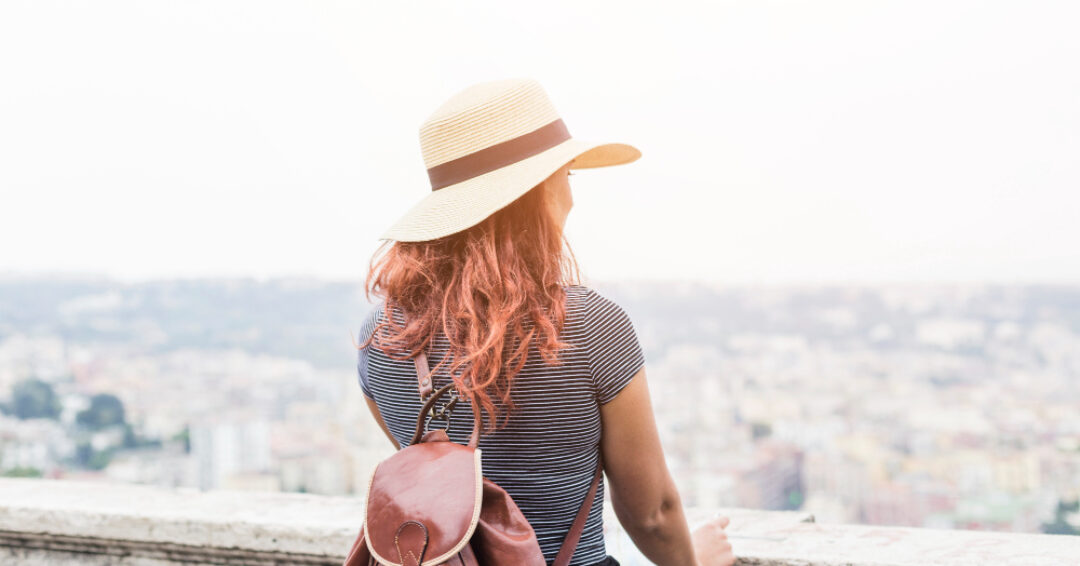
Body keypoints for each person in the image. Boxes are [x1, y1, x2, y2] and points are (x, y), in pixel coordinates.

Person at [355, 78, 735, 566]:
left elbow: (443, 478)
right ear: (538, 194)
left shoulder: (379, 336)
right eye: (566, 176)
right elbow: (652, 515)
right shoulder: (588, 325)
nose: (571, 196)